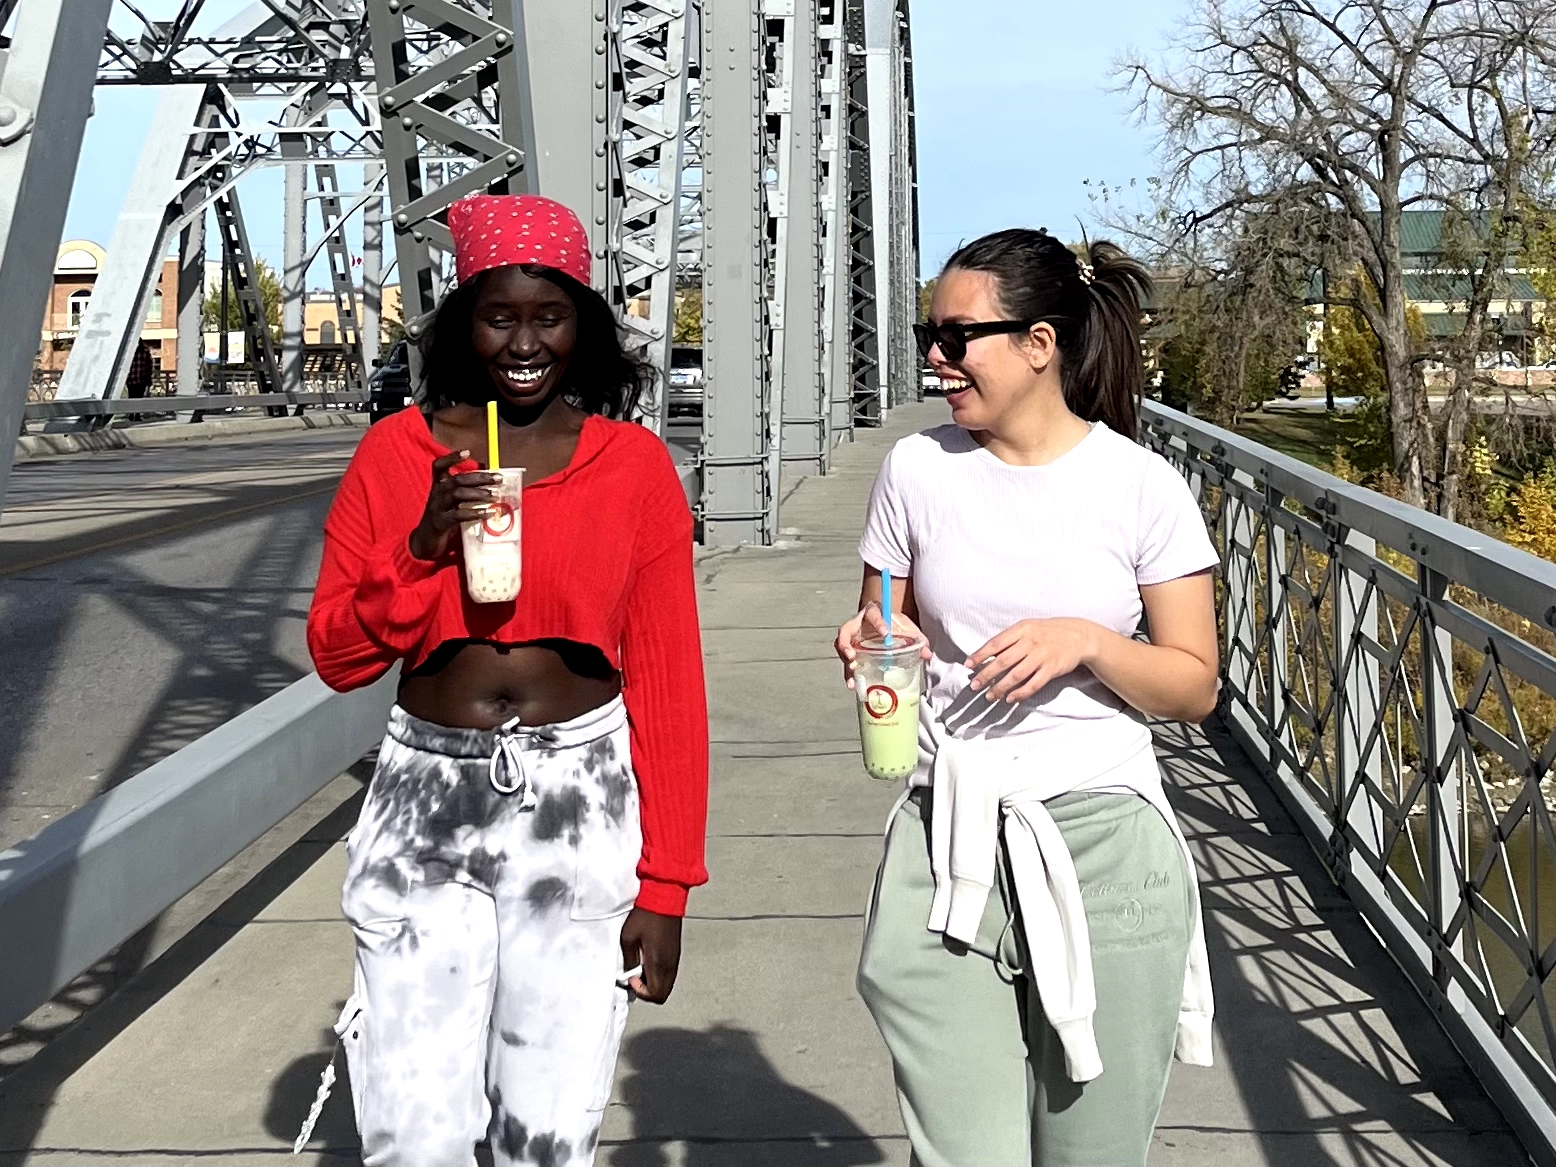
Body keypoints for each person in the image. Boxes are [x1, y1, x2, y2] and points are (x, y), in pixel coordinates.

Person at [303, 194, 708, 1167]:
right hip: (423, 798)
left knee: (550, 1123)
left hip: (580, 794)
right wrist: (425, 544)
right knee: (414, 1126)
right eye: (499, 316)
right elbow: (338, 654)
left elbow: (667, 682)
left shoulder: (634, 468)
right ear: (462, 324)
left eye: (550, 315)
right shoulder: (395, 454)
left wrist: (667, 884)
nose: (524, 341)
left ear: (585, 328)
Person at [834, 229, 1220, 1167]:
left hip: (1106, 843)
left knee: (1091, 1152)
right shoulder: (918, 470)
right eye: (932, 331)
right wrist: (868, 643)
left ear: (1038, 345)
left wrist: (1087, 642)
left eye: (957, 335)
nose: (935, 355)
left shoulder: (1140, 486)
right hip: (949, 833)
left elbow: (1194, 681)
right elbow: (881, 621)